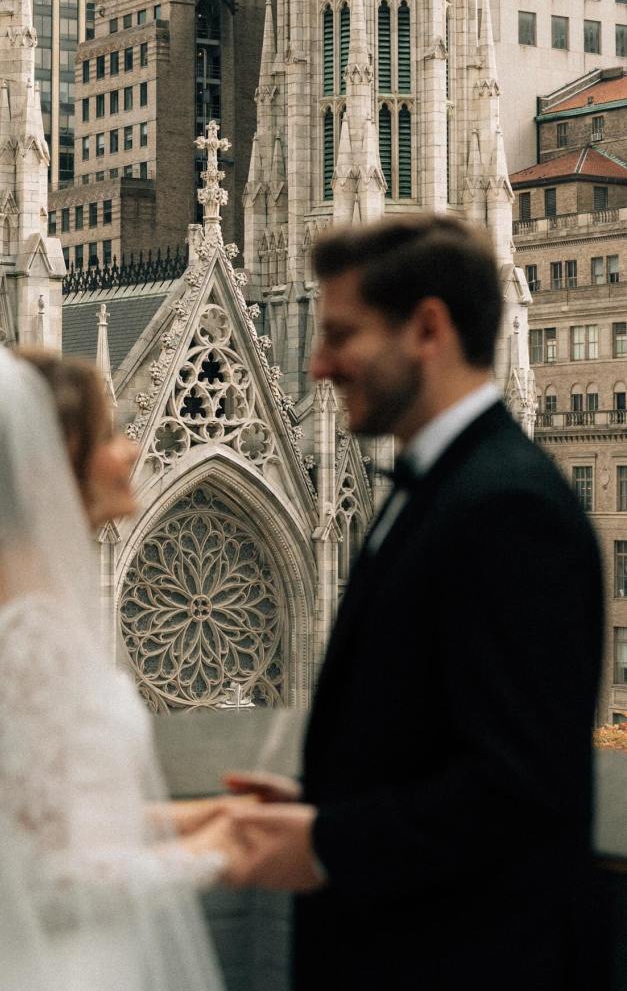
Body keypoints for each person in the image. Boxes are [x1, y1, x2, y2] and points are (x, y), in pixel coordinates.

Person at [223, 215, 604, 990]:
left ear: (427, 328)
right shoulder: (442, 486)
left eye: (340, 334)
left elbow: (516, 791)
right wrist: (323, 799)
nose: (317, 362)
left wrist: (330, 840)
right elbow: (441, 734)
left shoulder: (508, 508)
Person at [0, 345, 231, 991]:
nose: (133, 451)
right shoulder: (30, 626)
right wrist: (226, 854)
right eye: (112, 435)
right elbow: (46, 878)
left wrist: (208, 818)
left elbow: (31, 809)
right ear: (55, 457)